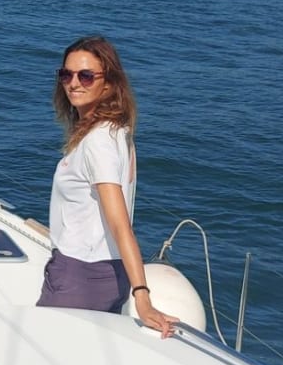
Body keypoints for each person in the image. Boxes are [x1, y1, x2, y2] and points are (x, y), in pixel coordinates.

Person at [37, 35, 178, 338]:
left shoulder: (98, 142)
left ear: (109, 83)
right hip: (107, 274)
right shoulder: (117, 131)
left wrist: (142, 296)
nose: (74, 83)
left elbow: (119, 223)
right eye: (66, 74)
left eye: (86, 76)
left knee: (47, 354)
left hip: (80, 276)